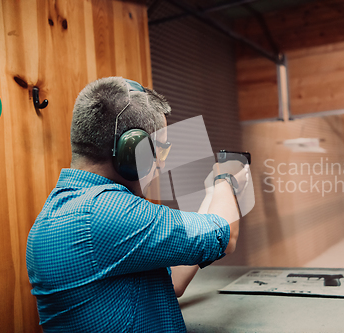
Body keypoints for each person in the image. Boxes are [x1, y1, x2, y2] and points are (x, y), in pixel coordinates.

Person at [26, 77, 247, 332]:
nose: (161, 163)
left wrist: (212, 192)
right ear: (132, 151)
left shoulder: (67, 209)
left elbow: (173, 281)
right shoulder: (107, 211)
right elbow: (224, 234)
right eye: (160, 150)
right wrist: (226, 180)